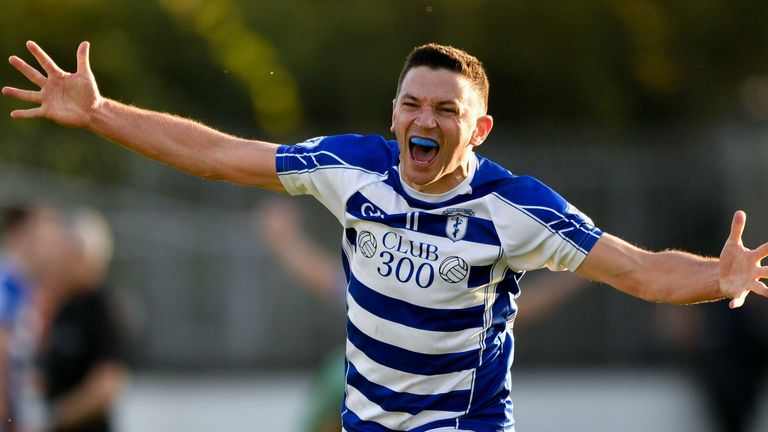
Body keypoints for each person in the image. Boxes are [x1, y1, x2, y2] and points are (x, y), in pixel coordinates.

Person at [4, 40, 768, 431]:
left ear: (480, 129)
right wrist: (102, 114)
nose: (424, 120)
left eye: (445, 109)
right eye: (412, 104)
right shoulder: (353, 169)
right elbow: (216, 155)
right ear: (395, 111)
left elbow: (635, 270)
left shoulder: (515, 210)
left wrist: (717, 277)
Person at [36, 209, 127, 432]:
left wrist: (54, 417)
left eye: (65, 252)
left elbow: (107, 386)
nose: (58, 260)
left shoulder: (103, 309)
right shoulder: (64, 302)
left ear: (84, 257)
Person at [0, 204, 67, 432]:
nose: (54, 247)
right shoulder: (7, 281)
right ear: (24, 233)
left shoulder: (26, 285)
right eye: (47, 237)